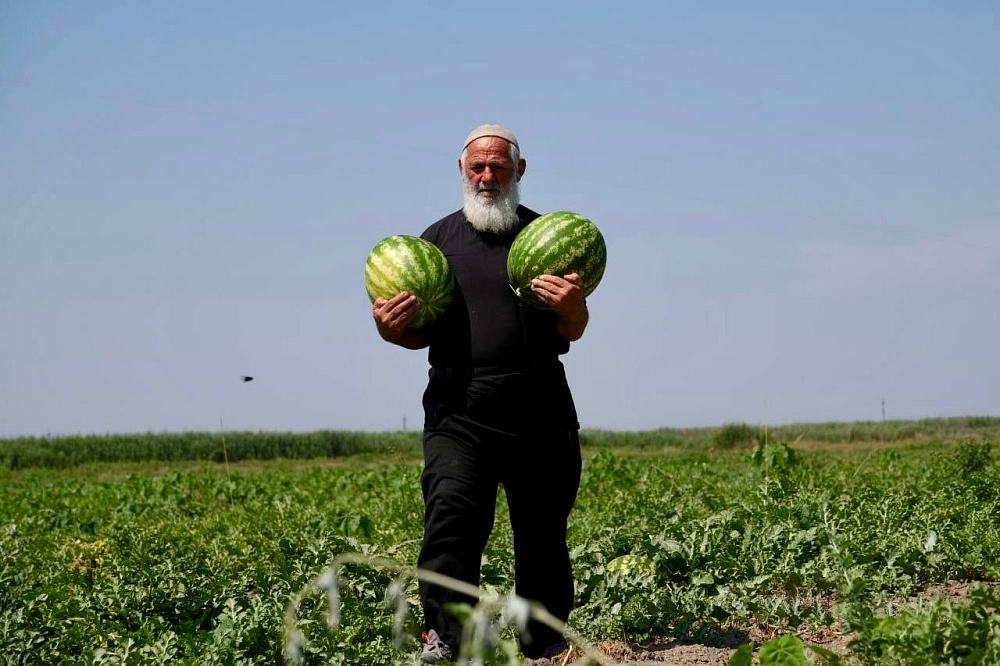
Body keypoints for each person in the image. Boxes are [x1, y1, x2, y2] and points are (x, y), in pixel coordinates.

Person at [371, 124, 590, 663]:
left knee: (541, 534)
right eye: (478, 167)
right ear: (463, 171)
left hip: (539, 406)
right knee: (450, 518)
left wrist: (571, 305)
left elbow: (575, 328)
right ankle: (448, 637)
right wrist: (388, 327)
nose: (487, 175)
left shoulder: (547, 237)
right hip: (458, 410)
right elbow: (413, 333)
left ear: (520, 170)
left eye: (498, 165)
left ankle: (544, 641)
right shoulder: (436, 243)